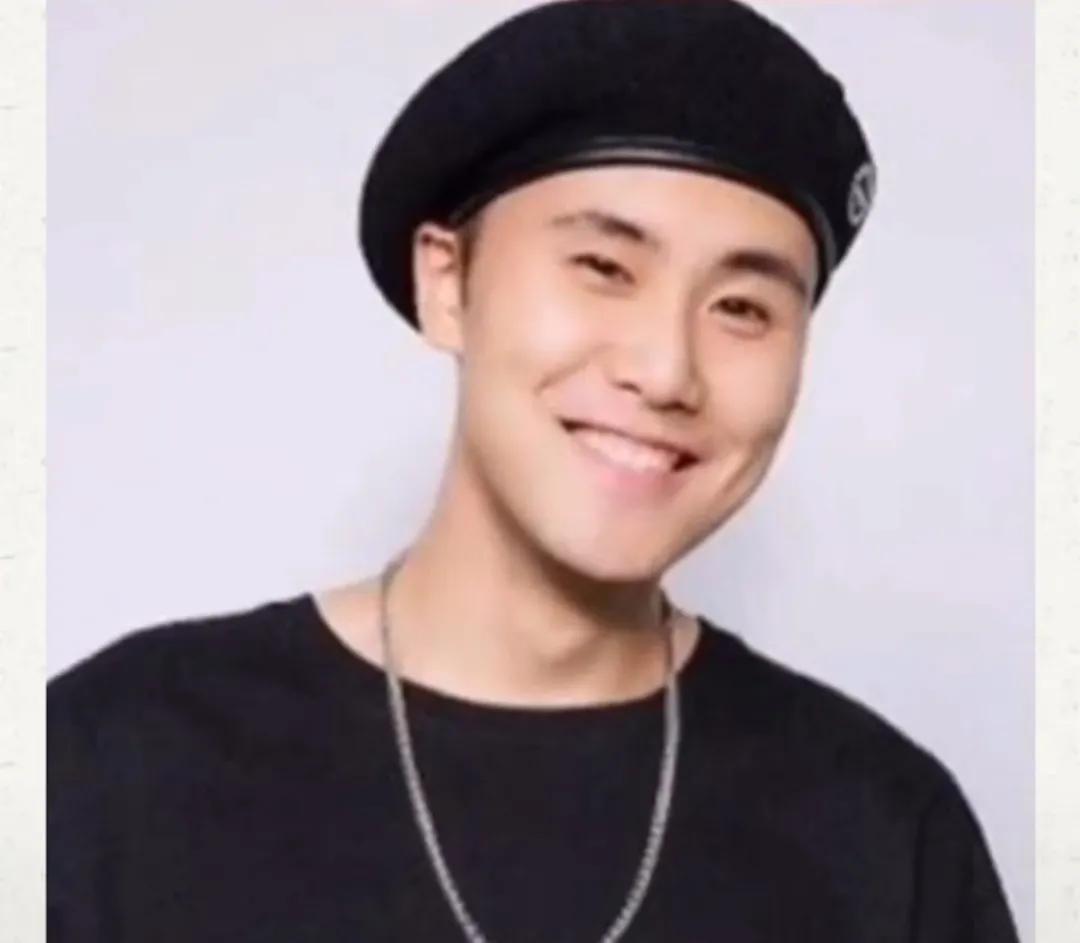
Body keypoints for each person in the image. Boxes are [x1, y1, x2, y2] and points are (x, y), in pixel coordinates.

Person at [48, 0, 1021, 940]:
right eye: (604, 268)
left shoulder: (883, 830)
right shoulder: (111, 763)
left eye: (742, 308)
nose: (666, 370)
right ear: (447, 283)